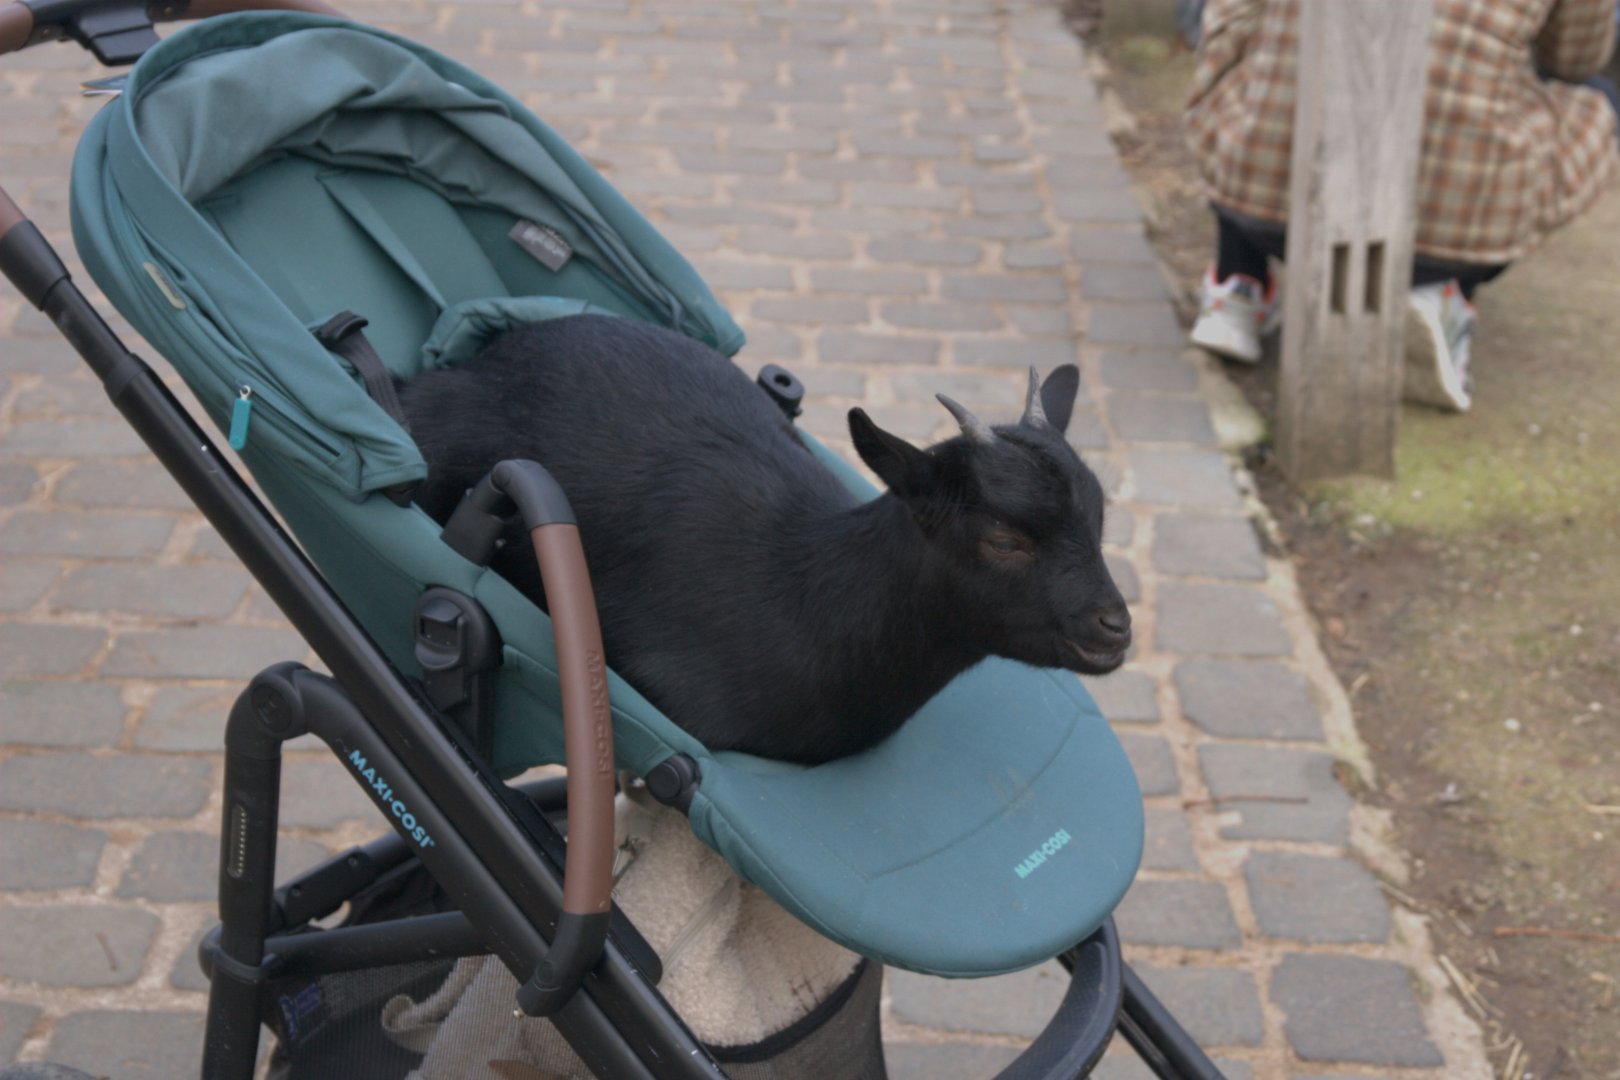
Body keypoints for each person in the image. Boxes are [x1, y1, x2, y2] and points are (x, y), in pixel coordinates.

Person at [1183, 0, 1620, 411]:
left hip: (1269, 207)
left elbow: (1231, 17)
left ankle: (1238, 281)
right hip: (1452, 236)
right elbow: (1575, 57)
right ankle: (1443, 290)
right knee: (1598, 100)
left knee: (1250, 55)